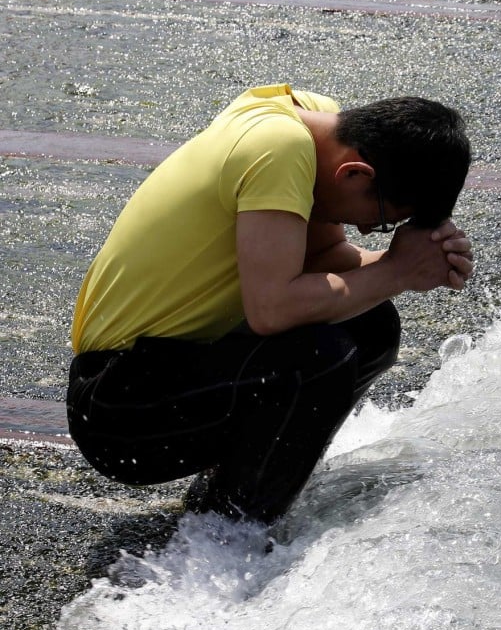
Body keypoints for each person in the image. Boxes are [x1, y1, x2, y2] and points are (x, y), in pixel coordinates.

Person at [65, 83, 474, 526]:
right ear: (354, 173)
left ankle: (233, 497)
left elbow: (324, 260)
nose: (363, 230)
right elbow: (273, 309)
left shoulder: (314, 123)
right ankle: (229, 542)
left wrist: (413, 264)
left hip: (170, 372)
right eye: (377, 223)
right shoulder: (280, 149)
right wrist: (396, 271)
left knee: (370, 323)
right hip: (119, 408)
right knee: (319, 358)